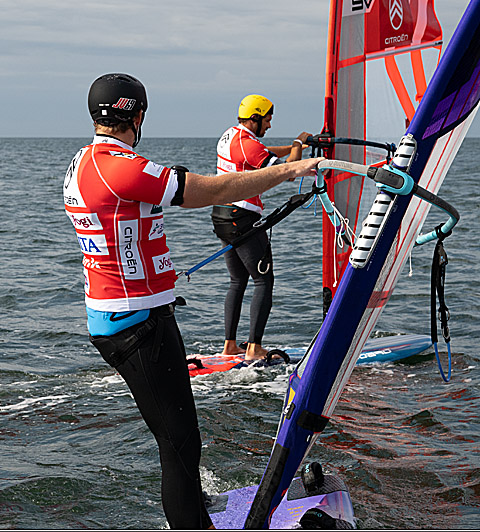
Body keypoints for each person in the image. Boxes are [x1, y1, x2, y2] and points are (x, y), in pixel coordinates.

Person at [64, 74, 320, 529]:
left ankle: (191, 510)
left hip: (120, 317)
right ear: (137, 115)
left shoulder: (84, 161)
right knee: (179, 441)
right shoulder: (119, 166)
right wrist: (293, 170)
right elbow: (214, 189)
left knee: (175, 437)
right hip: (137, 323)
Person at [212, 94, 310, 361]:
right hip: (242, 218)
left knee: (237, 281)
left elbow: (264, 153)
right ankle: (254, 347)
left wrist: (291, 146)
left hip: (222, 216)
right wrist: (300, 144)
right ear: (254, 119)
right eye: (267, 120)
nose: (268, 126)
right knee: (263, 281)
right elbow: (290, 172)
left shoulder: (231, 136)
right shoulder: (248, 145)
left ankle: (230, 345)